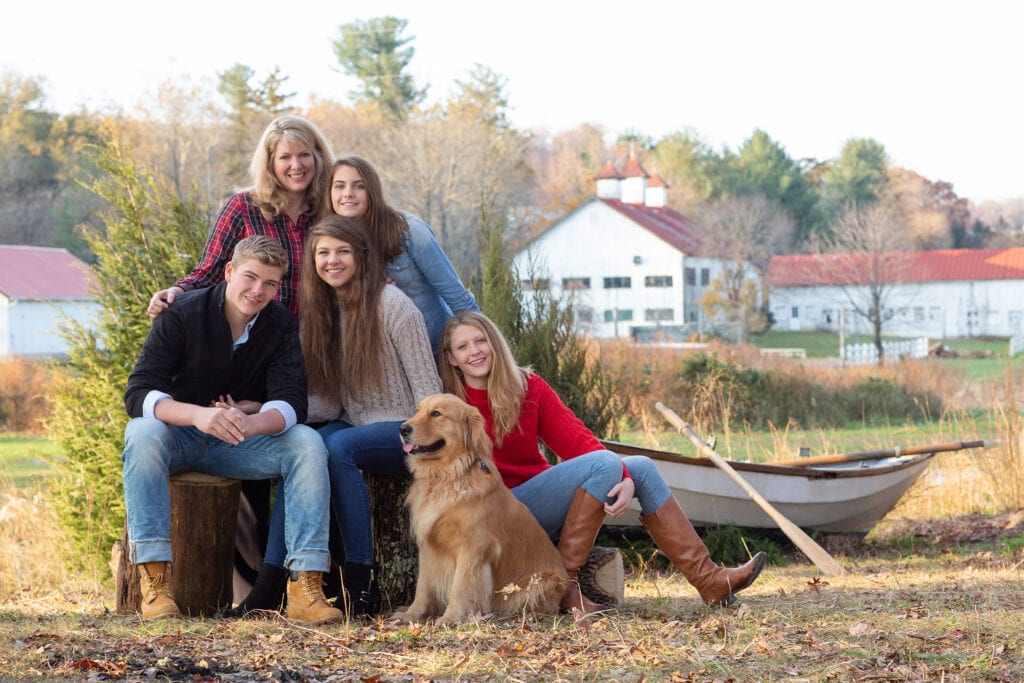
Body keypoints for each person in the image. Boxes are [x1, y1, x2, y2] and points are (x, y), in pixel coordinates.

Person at [437, 311, 767, 613]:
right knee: (608, 465)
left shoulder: (527, 386)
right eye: (463, 347)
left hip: (537, 501)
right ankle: (565, 590)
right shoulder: (449, 407)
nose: (475, 351)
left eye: (481, 340)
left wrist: (623, 477)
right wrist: (612, 470)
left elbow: (578, 442)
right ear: (452, 358)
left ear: (494, 343)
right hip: (496, 516)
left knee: (642, 467)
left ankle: (709, 580)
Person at [228, 215, 442, 619]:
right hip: (356, 425)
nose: (332, 261)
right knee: (305, 449)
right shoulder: (323, 314)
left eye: (342, 251)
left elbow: (428, 393)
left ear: (361, 256)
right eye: (323, 253)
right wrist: (264, 409)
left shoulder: (393, 305)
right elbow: (327, 403)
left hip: (406, 430)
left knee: (337, 446)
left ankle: (361, 583)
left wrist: (424, 440)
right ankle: (270, 584)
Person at [121, 236, 342, 625]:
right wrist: (197, 416)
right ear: (228, 273)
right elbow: (138, 392)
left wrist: (252, 421)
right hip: (179, 438)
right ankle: (155, 585)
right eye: (250, 277)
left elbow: (292, 400)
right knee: (141, 434)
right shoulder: (183, 313)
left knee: (307, 443)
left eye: (270, 284)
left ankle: (305, 587)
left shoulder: (280, 324)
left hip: (240, 441)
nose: (258, 291)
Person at [147, 115, 334, 319]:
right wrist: (177, 292)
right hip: (259, 339)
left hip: (319, 338)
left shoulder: (329, 210)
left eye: (304, 155)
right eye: (285, 157)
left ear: (318, 157)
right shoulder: (243, 207)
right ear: (270, 163)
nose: (296, 165)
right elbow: (210, 271)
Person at [326, 155, 479, 353]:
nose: (348, 193)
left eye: (359, 186)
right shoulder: (330, 245)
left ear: (372, 191)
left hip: (434, 352)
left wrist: (494, 357)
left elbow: (459, 298)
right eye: (339, 186)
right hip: (381, 362)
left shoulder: (409, 231)